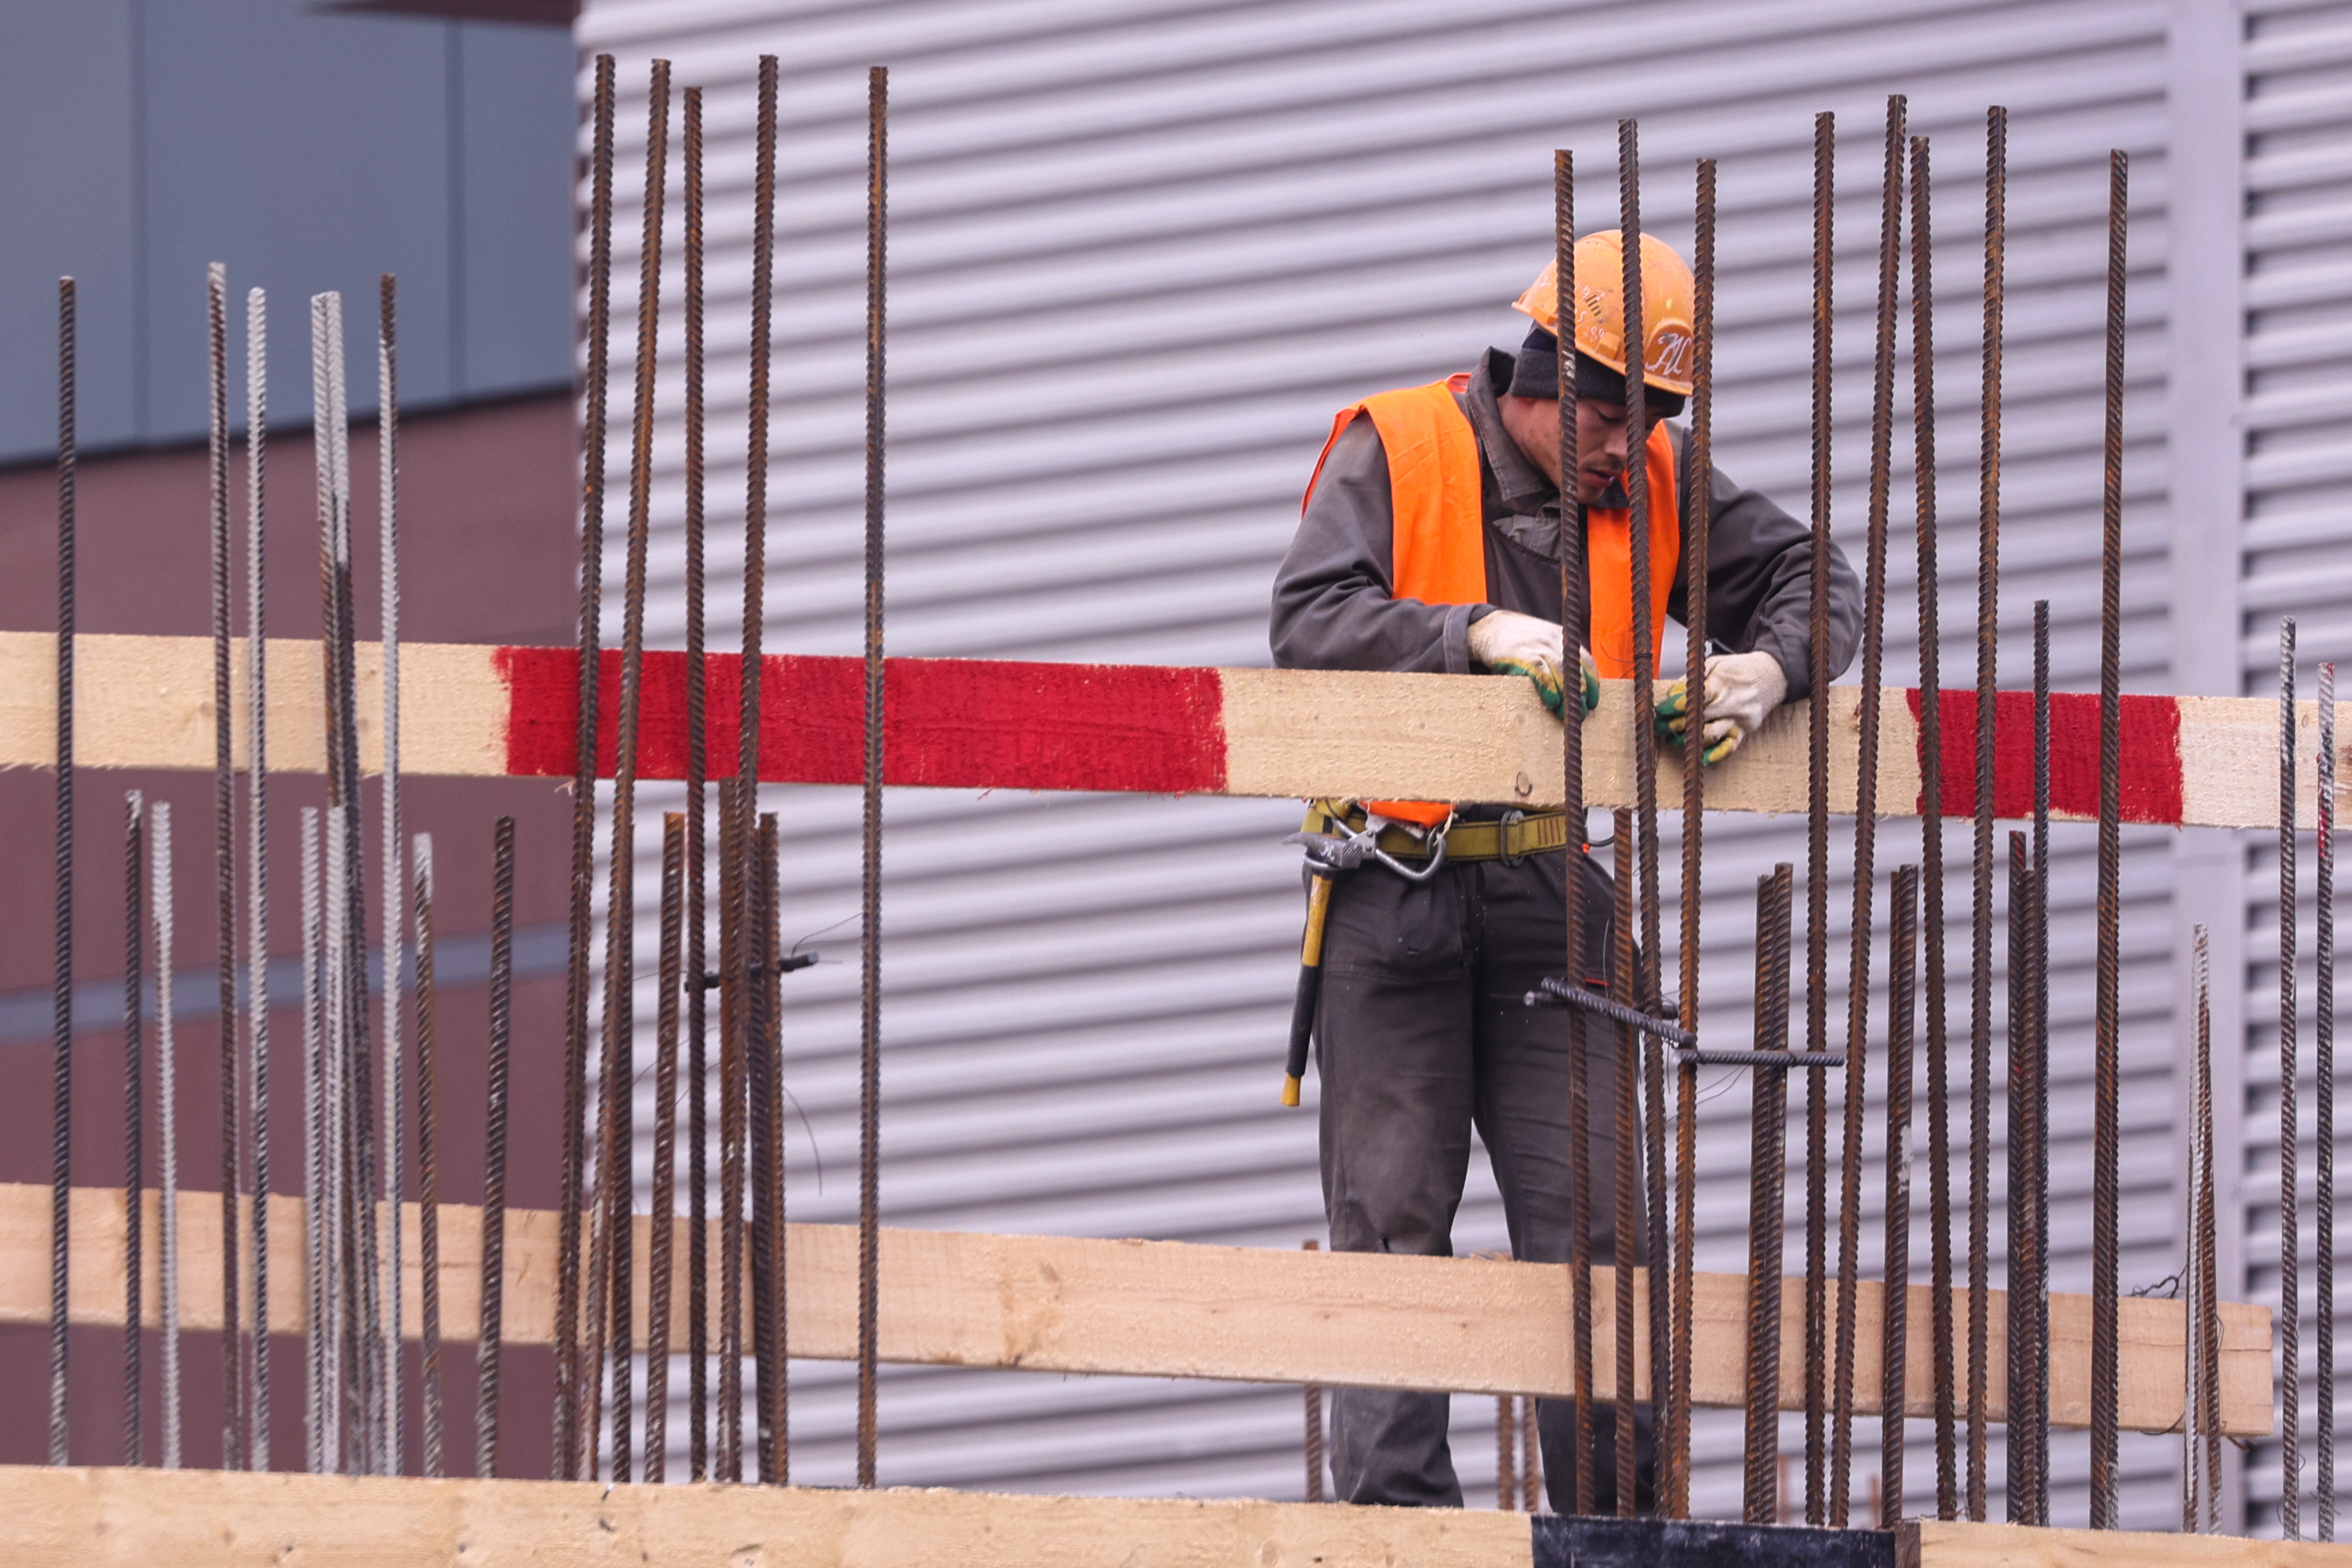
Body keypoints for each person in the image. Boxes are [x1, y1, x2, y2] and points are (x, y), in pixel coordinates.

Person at [1268, 230, 1860, 1512]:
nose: (1628, 449)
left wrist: (1773, 667)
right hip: (1393, 883)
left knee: (1594, 1229)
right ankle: (1401, 1536)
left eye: (1658, 419)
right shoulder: (1398, 446)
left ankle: (1612, 1531)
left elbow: (1811, 575)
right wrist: (1469, 632)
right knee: (1391, 1225)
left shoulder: (1651, 477)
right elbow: (1308, 620)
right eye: (1610, 417)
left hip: (1552, 889)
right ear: (1544, 376)